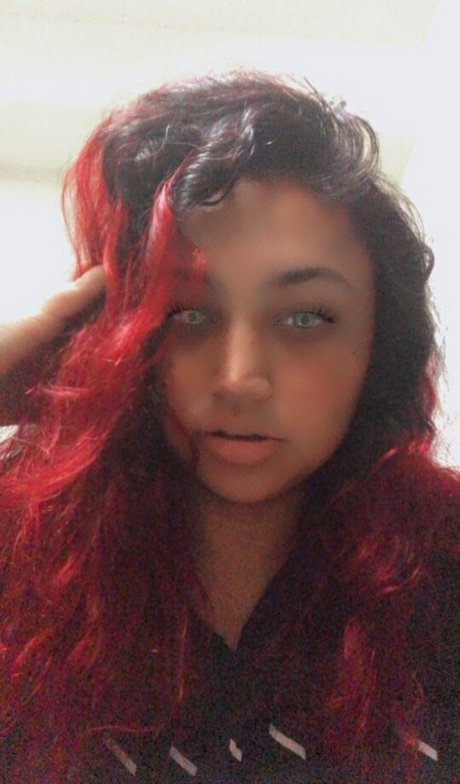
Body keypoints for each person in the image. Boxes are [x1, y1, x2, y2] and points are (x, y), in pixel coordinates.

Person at [0, 72, 458, 784]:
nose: (240, 378)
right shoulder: (19, 549)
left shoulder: (444, 567)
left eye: (305, 317)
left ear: (380, 346)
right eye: (187, 312)